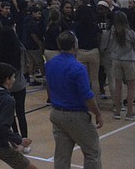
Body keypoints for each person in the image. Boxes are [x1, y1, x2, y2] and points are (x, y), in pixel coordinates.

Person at [47, 30, 103, 169]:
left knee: (61, 156)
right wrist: (98, 113)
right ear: (75, 44)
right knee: (92, 152)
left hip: (56, 113)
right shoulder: (78, 68)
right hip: (76, 115)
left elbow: (49, 86)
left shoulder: (50, 64)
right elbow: (87, 96)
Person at [0, 63, 36, 169]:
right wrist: (19, 140)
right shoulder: (8, 100)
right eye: (13, 77)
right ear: (7, 80)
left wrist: (11, 138)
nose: (14, 80)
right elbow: (2, 127)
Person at [107, 11, 135, 120]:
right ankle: (130, 112)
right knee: (131, 87)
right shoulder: (130, 32)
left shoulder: (113, 32)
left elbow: (110, 45)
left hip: (116, 60)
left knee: (118, 86)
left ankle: (118, 111)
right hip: (129, 60)